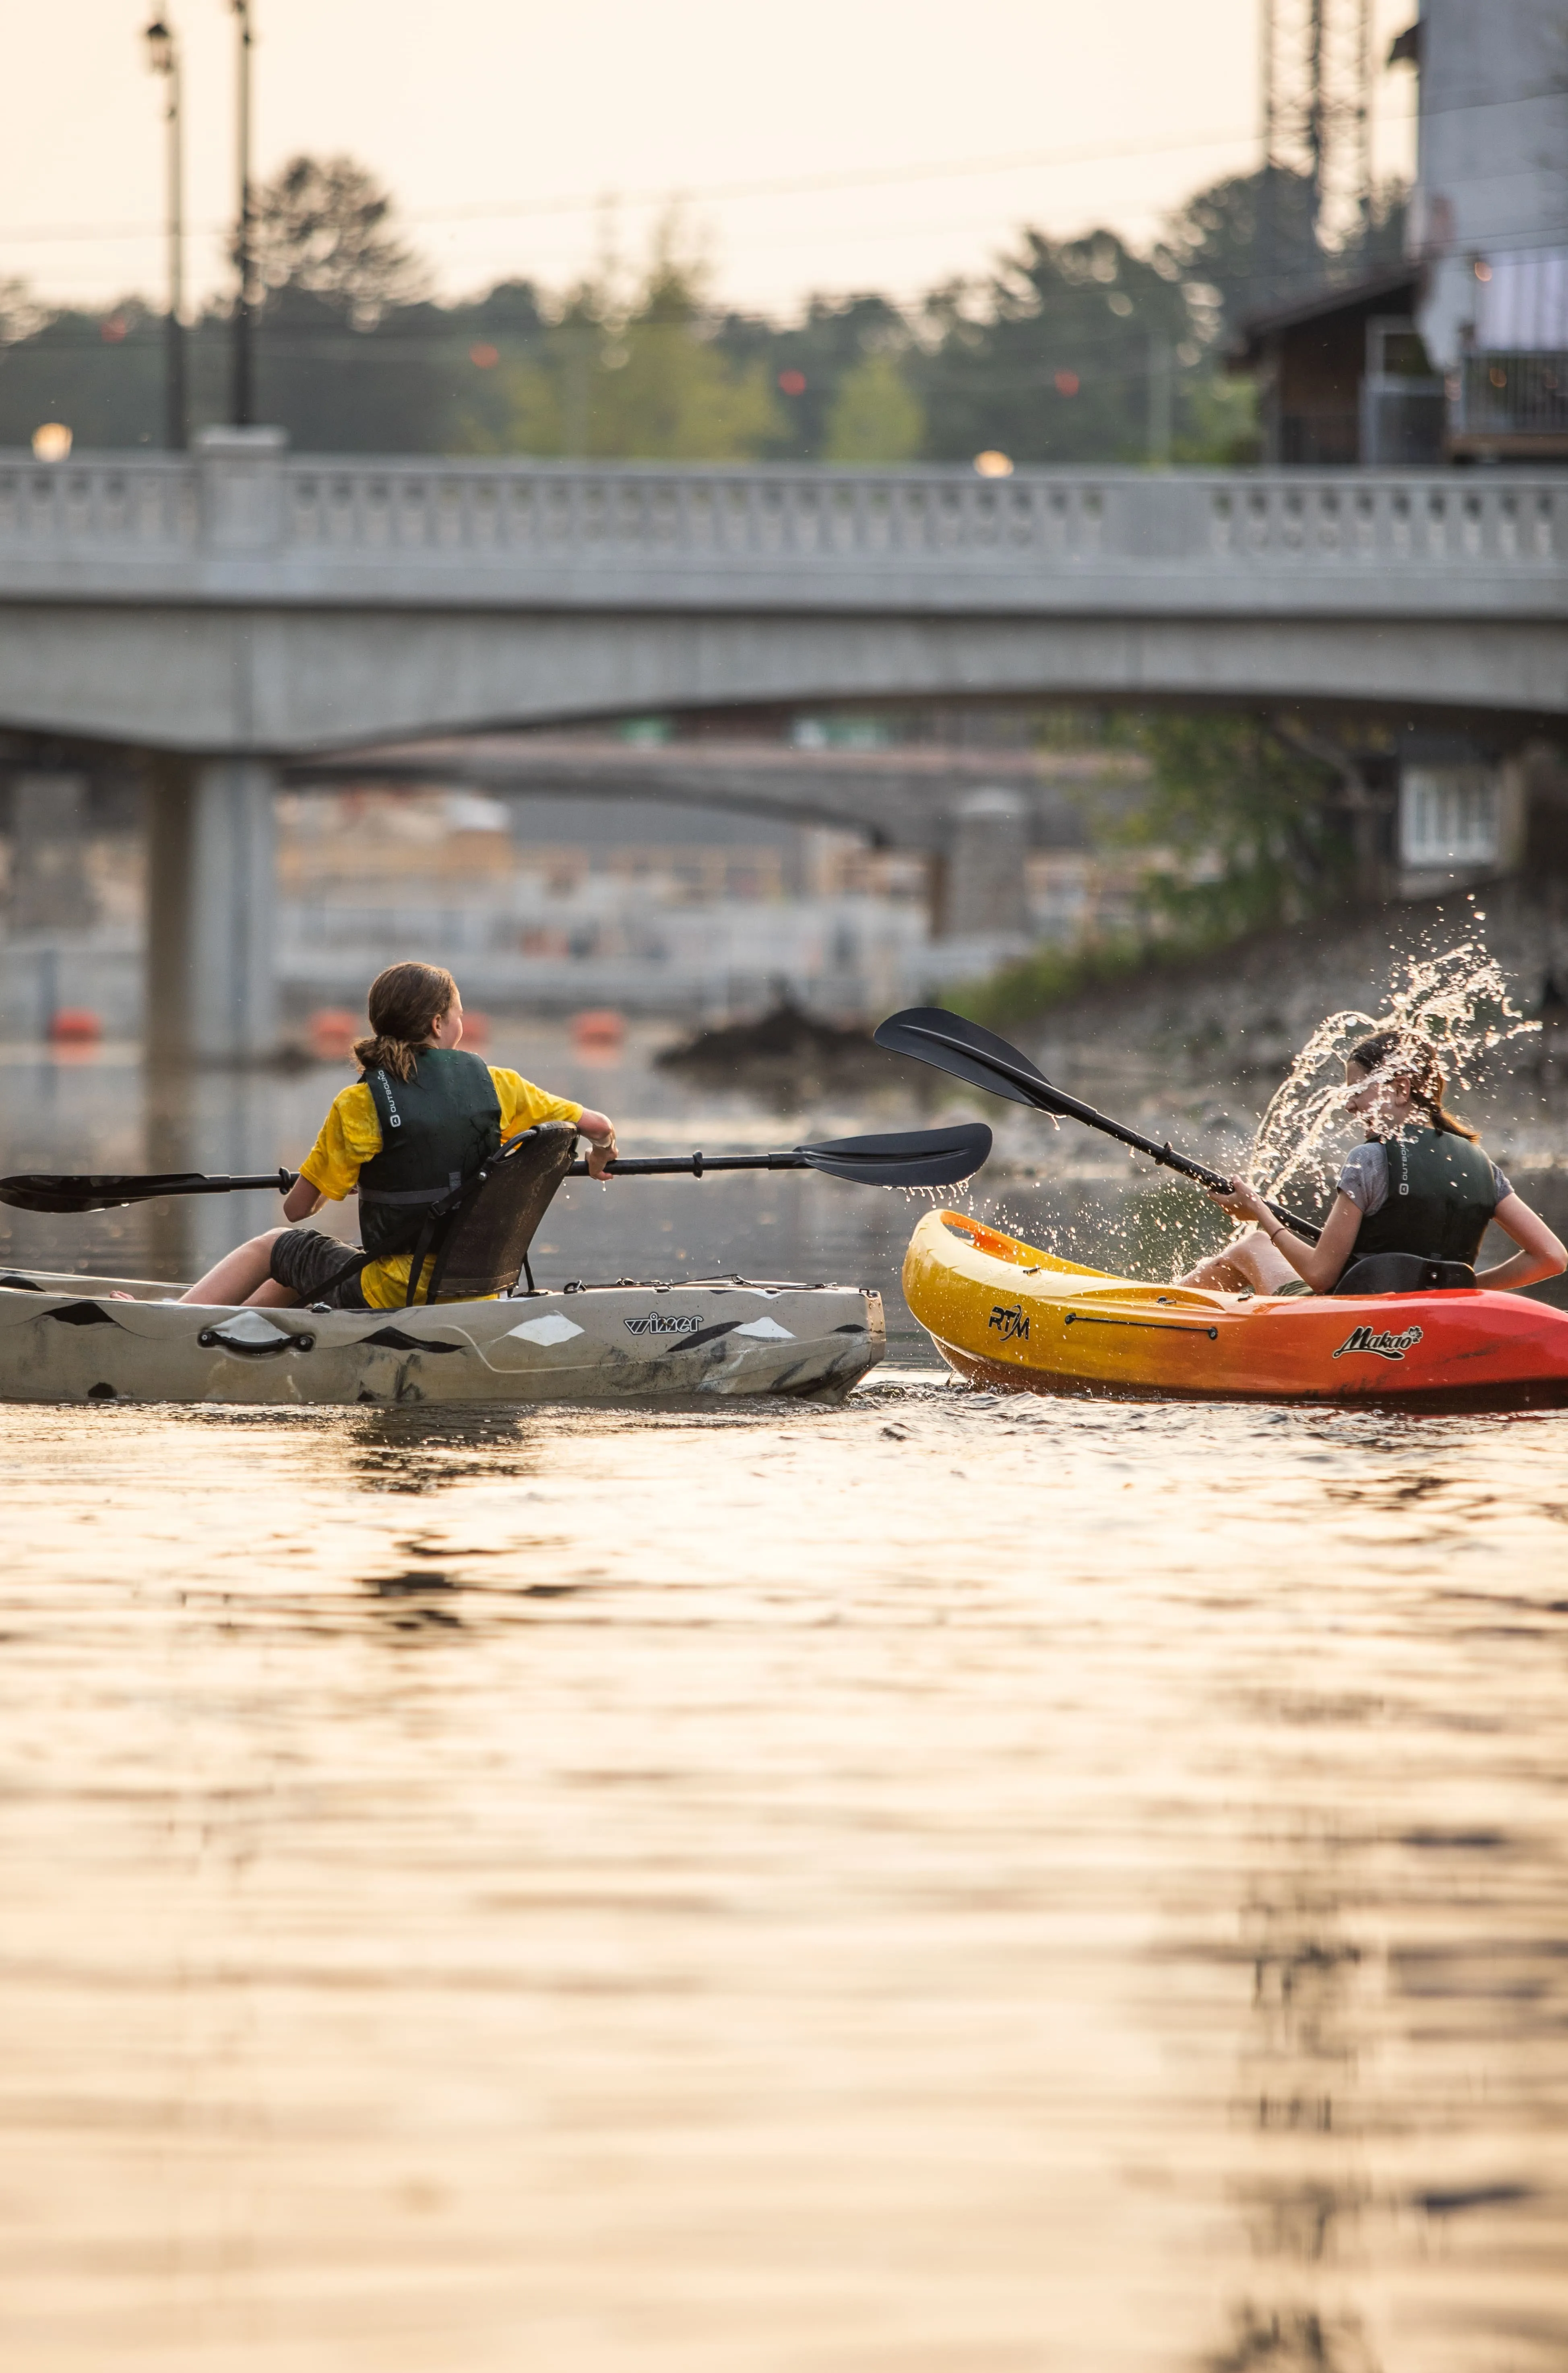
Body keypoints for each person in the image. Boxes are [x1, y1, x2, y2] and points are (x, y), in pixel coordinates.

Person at [181, 961, 618, 1310]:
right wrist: (600, 1155)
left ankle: (177, 1318)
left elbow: (298, 1209)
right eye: (458, 1015)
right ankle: (236, 1328)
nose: (460, 1024)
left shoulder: (360, 1103)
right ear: (436, 1024)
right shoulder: (499, 1085)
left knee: (275, 1246)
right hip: (478, 1284)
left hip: (395, 1291)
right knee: (307, 1267)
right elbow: (598, 1126)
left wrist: (341, 1181)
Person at [1182, 1026, 1566, 1299]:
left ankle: (1155, 1311)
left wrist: (1259, 1212)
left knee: (1251, 1244)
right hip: (1431, 1318)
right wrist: (1467, 1288)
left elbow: (1319, 1277)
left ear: (1400, 1089)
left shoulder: (1368, 1159)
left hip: (1350, 1320)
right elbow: (1551, 1257)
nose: (1349, 1105)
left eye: (1358, 1090)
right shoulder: (1482, 1166)